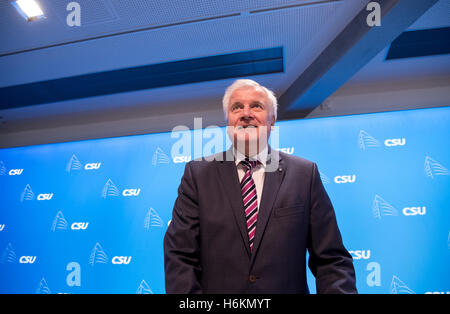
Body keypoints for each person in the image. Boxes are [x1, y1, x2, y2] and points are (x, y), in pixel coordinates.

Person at [163, 79, 357, 293]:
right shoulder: (198, 175)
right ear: (228, 121)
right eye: (237, 107)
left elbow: (332, 260)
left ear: (272, 120)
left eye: (256, 106)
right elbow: (180, 257)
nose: (246, 113)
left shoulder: (304, 174)